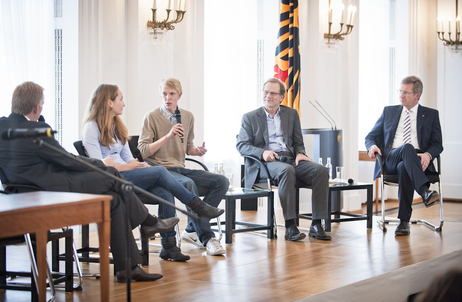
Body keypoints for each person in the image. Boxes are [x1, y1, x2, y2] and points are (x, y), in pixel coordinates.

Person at [0, 81, 179, 283]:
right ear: (37, 107)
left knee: (115, 201)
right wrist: (100, 164)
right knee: (111, 174)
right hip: (49, 192)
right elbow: (66, 160)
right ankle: (148, 222)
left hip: (19, 196)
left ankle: (128, 268)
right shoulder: (37, 130)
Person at [82, 84, 224, 262]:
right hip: (114, 179)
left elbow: (129, 158)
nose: (124, 104)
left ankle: (169, 247)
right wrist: (130, 167)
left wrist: (141, 167)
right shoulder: (91, 128)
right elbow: (100, 167)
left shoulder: (117, 126)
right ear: (109, 102)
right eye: (120, 99)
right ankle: (197, 206)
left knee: (164, 191)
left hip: (128, 173)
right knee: (160, 171)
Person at [138, 77, 229, 256]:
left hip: (180, 167)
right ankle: (207, 238)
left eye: (171, 94)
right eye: (164, 94)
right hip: (160, 170)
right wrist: (167, 136)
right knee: (188, 184)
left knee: (221, 181)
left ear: (179, 95)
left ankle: (192, 228)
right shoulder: (151, 117)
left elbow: (187, 147)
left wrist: (197, 151)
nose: (167, 98)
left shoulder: (187, 116)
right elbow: (142, 152)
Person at [236, 78, 331, 241]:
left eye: (273, 93)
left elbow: (297, 141)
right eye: (266, 92)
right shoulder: (250, 117)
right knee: (286, 171)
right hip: (265, 163)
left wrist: (301, 152)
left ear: (281, 96)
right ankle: (290, 226)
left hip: (290, 159)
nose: (268, 96)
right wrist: (262, 152)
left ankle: (316, 224)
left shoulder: (291, 114)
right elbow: (241, 145)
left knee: (320, 171)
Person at [365, 76, 443, 236]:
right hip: (391, 158)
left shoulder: (431, 115)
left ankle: (403, 222)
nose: (401, 95)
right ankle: (424, 191)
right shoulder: (389, 111)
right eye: (400, 91)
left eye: (406, 92)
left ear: (417, 95)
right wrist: (372, 146)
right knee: (407, 148)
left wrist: (428, 154)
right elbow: (370, 136)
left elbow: (437, 144)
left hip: (418, 161)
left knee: (404, 167)